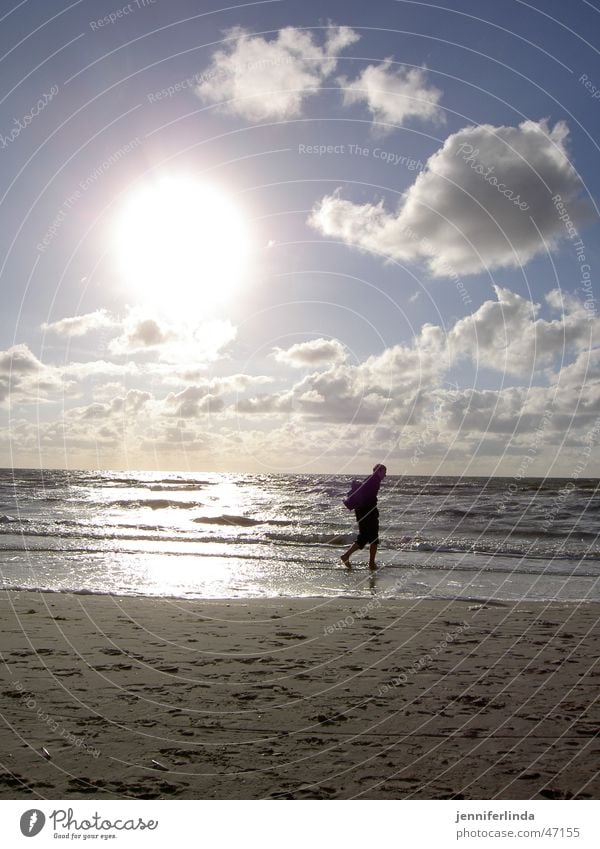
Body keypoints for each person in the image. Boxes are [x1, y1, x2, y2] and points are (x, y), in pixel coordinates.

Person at [341, 463, 387, 570]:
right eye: (384, 473)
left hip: (360, 511)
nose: (385, 476)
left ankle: (346, 556)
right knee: (374, 538)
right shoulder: (375, 481)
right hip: (368, 513)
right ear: (378, 471)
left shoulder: (369, 479)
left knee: (363, 537)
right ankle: (371, 564)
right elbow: (369, 498)